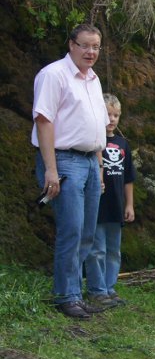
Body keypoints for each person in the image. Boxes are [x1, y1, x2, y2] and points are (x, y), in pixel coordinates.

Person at [32, 23, 110, 319]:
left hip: (90, 160)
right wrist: (50, 169)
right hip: (64, 160)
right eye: (85, 45)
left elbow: (99, 126)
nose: (91, 52)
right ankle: (66, 295)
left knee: (87, 231)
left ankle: (75, 292)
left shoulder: (93, 79)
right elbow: (43, 121)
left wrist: (100, 168)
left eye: (96, 47)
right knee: (72, 228)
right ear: (71, 44)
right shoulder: (54, 75)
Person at [84, 93, 135, 308]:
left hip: (116, 205)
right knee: (97, 249)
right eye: (107, 114)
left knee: (114, 249)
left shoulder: (123, 143)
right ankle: (97, 289)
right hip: (97, 204)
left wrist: (129, 204)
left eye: (116, 115)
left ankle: (109, 286)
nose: (111, 119)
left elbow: (129, 177)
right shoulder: (91, 142)